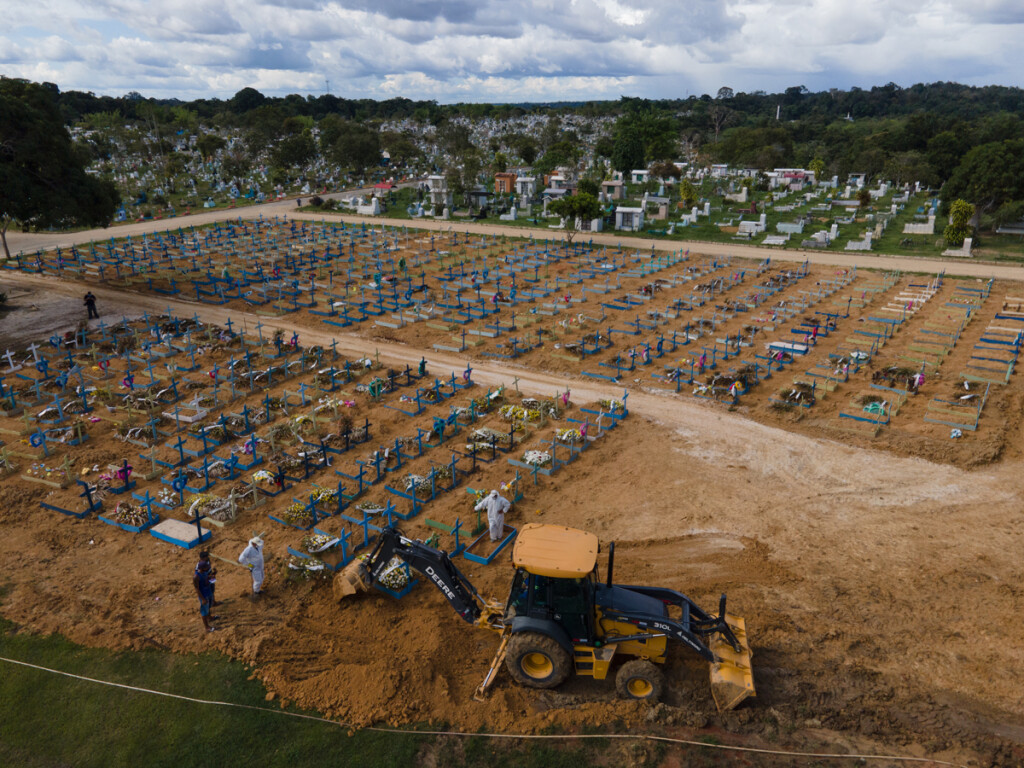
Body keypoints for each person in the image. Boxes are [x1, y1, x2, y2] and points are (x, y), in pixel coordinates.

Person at [193, 559, 217, 632]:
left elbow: (207, 579)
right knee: (204, 612)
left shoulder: (205, 572)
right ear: (202, 568)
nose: (208, 568)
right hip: (203, 595)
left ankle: (209, 617)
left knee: (209, 606)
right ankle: (207, 627)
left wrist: (213, 575)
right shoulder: (196, 577)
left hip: (208, 592)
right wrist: (203, 599)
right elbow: (197, 589)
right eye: (206, 567)